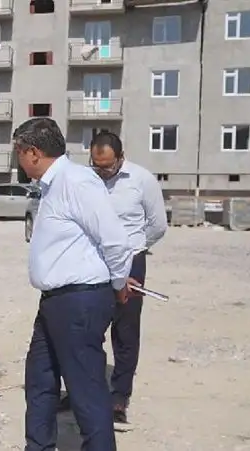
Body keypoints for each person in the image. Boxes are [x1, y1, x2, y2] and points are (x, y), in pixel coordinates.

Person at [13, 118, 134, 451]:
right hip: (55, 301)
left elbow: (115, 241)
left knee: (85, 390)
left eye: (18, 152)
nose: (18, 160)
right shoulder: (53, 184)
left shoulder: (76, 181)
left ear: (33, 153)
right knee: (39, 381)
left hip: (78, 302)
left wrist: (118, 283)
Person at [87, 131, 167, 429]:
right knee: (88, 327)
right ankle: (86, 389)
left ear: (121, 158)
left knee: (126, 330)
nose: (103, 172)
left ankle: (119, 397)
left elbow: (158, 225)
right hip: (94, 261)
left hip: (132, 261)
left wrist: (134, 248)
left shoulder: (142, 179)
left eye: (108, 166)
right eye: (97, 166)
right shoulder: (87, 180)